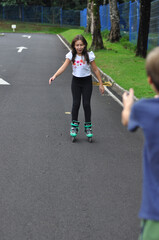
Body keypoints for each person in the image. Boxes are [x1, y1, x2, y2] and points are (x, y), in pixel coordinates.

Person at [121, 47, 159, 240]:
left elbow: (127, 120)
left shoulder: (144, 109)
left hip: (155, 212)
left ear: (150, 81)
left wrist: (128, 105)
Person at [49, 35, 104, 140]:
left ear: (84, 45)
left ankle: (88, 127)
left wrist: (101, 84)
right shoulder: (71, 55)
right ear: (74, 46)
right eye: (77, 45)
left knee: (86, 104)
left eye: (81, 45)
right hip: (76, 82)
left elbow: (96, 70)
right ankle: (74, 126)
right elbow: (63, 67)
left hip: (87, 81)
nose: (79, 47)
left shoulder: (89, 55)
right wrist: (54, 76)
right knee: (76, 103)